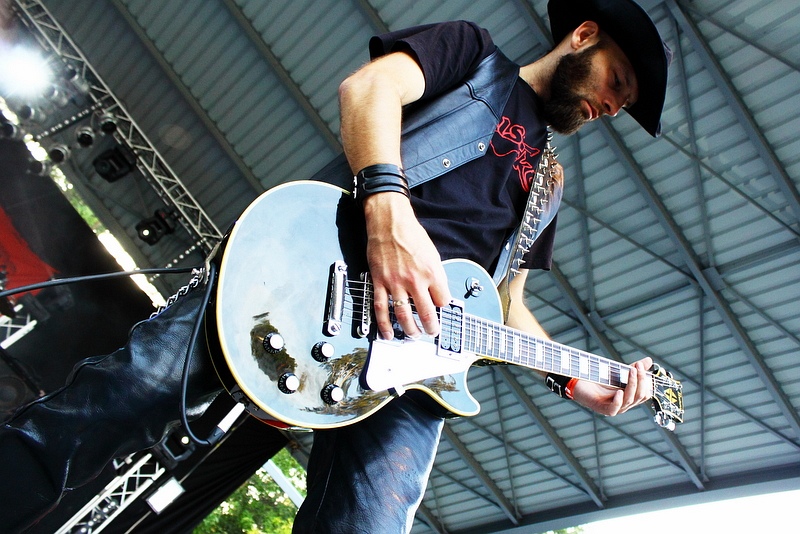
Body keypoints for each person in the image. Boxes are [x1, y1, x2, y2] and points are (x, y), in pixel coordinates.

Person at [292, 0, 671, 532]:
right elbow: (369, 90)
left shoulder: (549, 186)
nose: (612, 107)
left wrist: (577, 379)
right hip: (316, 263)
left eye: (622, 104)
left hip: (413, 359)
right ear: (584, 36)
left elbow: (507, 302)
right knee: (146, 385)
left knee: (372, 521)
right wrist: (388, 217)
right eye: (618, 81)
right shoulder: (473, 54)